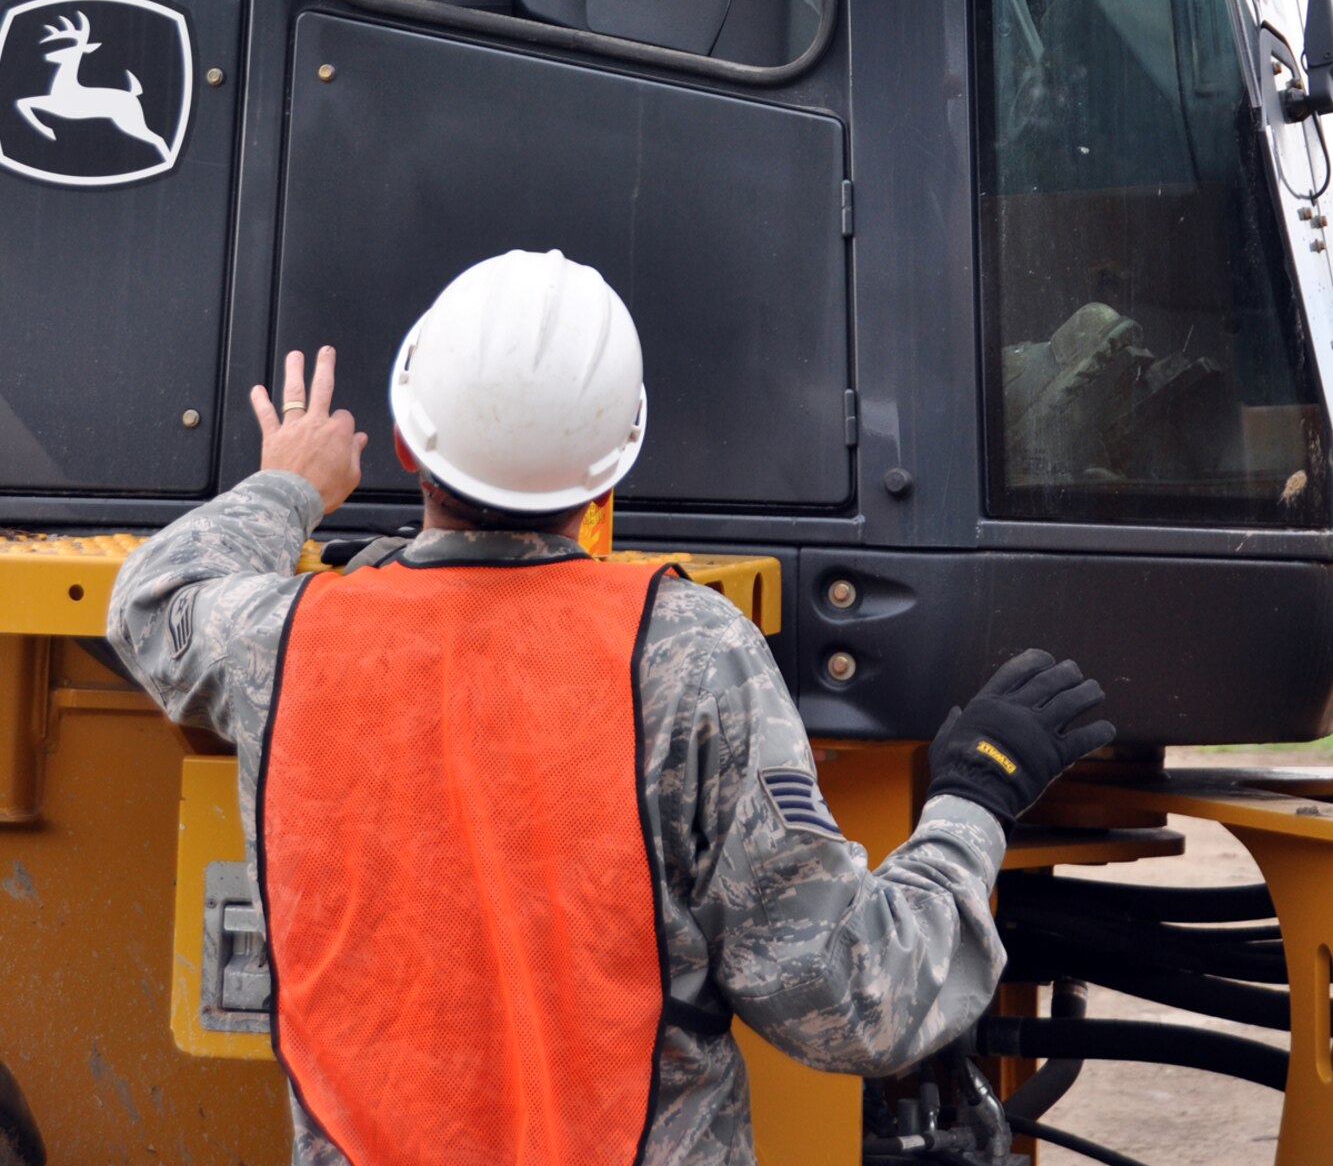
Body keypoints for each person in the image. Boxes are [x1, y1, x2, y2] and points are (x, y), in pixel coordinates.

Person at [108, 249, 1114, 1166]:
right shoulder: (684, 651)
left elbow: (154, 597)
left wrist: (287, 482)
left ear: (409, 447)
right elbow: (852, 1000)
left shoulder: (283, 642)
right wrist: (974, 797)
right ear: (615, 464)